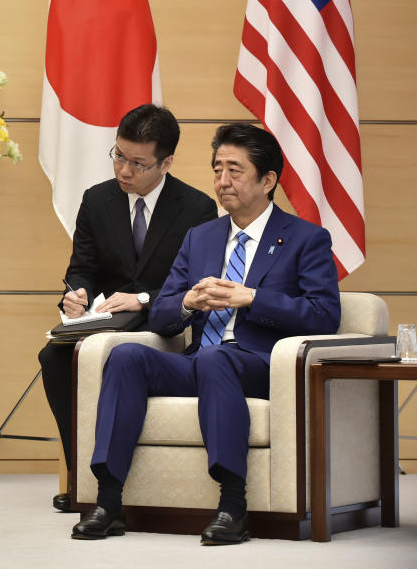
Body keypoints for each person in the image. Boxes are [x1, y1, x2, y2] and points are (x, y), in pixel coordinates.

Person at [72, 124, 341, 545]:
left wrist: (251, 297)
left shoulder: (305, 239)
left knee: (218, 358)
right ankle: (108, 502)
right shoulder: (201, 237)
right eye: (217, 169)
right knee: (125, 356)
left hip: (261, 365)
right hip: (200, 361)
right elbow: (161, 315)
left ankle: (233, 505)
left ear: (267, 180)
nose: (222, 181)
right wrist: (187, 304)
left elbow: (325, 316)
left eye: (235, 170)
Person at [38, 104, 217, 512]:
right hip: (103, 320)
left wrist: (142, 298)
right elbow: (81, 269)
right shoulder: (96, 200)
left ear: (166, 162)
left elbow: (192, 287)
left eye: (138, 163)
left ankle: (106, 477)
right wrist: (76, 296)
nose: (124, 171)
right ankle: (80, 471)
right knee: (54, 356)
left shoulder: (197, 209)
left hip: (161, 322)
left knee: (107, 353)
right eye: (119, 156)